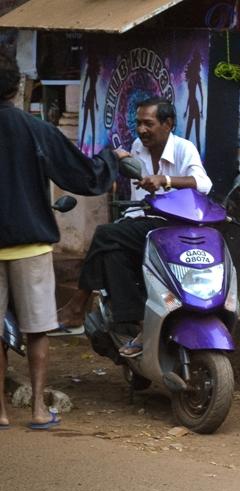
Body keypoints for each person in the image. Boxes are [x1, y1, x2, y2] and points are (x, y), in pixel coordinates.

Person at [0, 51, 120, 429]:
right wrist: (111, 159)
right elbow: (83, 174)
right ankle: (37, 409)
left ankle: (0, 412)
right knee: (37, 329)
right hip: (31, 245)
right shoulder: (36, 130)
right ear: (18, 87)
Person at [55, 97, 212, 358]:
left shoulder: (184, 149)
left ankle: (78, 304)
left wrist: (166, 179)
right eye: (138, 123)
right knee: (112, 252)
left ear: (168, 123)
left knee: (105, 235)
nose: (141, 130)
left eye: (148, 123)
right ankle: (137, 325)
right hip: (142, 222)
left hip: (174, 226)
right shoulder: (138, 147)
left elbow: (203, 183)